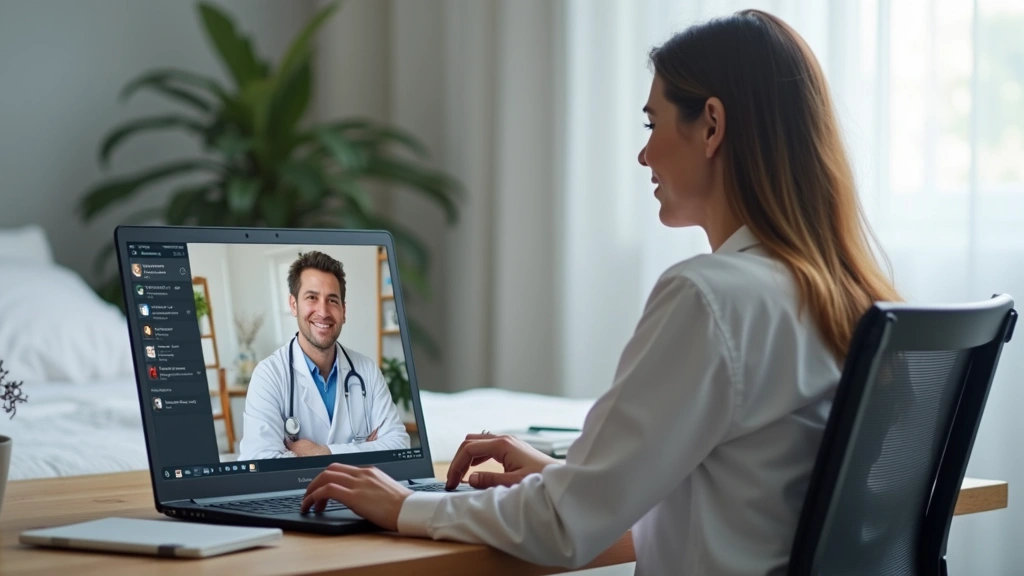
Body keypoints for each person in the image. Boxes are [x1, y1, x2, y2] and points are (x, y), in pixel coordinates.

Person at [298, 10, 901, 575]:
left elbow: (563, 526)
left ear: (711, 125)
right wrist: (572, 476)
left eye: (653, 123)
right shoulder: (843, 294)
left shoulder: (711, 297)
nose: (644, 153)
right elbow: (745, 489)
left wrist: (403, 505)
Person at [237, 251, 410, 460]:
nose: (323, 311)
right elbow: (261, 460)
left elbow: (399, 446)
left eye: (332, 300)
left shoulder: (367, 371)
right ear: (294, 305)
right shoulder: (268, 375)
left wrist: (321, 452)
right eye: (312, 297)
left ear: (343, 311)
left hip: (357, 493)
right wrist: (365, 450)